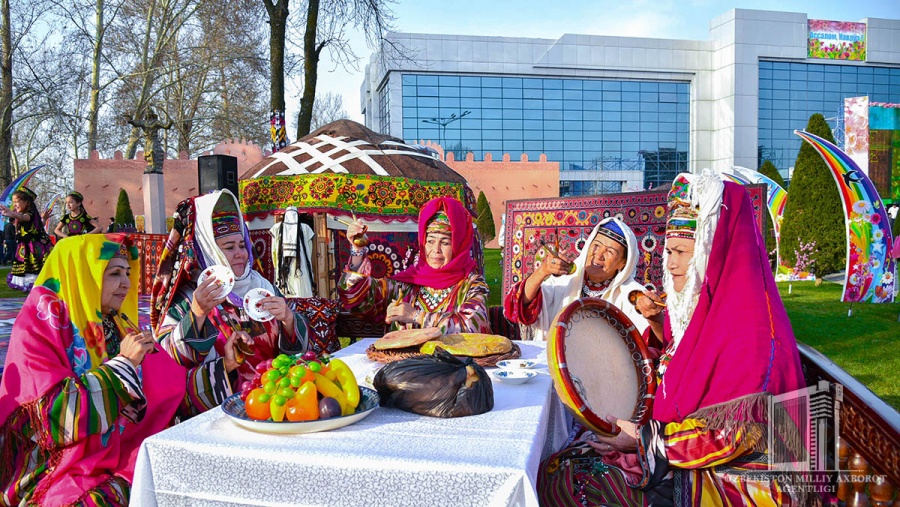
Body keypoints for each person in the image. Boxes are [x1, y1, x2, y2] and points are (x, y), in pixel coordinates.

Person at [538, 170, 807, 506]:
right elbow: (675, 367)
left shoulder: (753, 337)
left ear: (714, 256)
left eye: (682, 252)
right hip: (683, 450)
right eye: (668, 252)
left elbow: (735, 433)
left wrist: (642, 441)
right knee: (565, 463)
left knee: (581, 481)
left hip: (738, 479)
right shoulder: (707, 312)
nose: (672, 264)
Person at [0, 234, 244, 506]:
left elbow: (169, 389)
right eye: (114, 273)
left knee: (193, 466)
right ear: (83, 276)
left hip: (120, 449)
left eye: (127, 273)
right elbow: (49, 420)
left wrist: (226, 367)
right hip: (56, 464)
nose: (127, 283)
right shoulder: (40, 326)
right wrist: (124, 365)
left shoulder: (117, 324)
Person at [152, 189, 310, 384]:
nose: (240, 254)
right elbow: (165, 361)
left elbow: (298, 353)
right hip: (225, 399)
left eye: (242, 245)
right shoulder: (191, 298)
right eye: (229, 247)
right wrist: (197, 315)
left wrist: (288, 320)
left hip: (275, 392)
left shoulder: (262, 286)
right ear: (208, 250)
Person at [339, 196, 491, 334]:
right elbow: (357, 299)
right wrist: (357, 249)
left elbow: (474, 326)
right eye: (430, 241)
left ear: (458, 247)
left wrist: (415, 316)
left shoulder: (471, 285)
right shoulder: (407, 285)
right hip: (402, 357)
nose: (436, 250)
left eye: (445, 243)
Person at [503, 217, 650, 341]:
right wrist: (542, 271)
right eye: (596, 245)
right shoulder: (565, 281)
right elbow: (518, 307)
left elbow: (649, 343)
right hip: (557, 361)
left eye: (610, 252)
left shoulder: (632, 296)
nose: (599, 255)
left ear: (623, 263)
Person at [0, 187, 54, 291]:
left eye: (17, 202)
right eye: (14, 202)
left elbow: (24, 218)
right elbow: (38, 226)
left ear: (27, 202)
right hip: (25, 245)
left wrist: (12, 214)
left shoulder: (30, 214)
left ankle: (33, 283)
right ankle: (28, 283)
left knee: (33, 265)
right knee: (25, 264)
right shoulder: (26, 214)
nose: (15, 204)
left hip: (32, 246)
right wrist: (44, 219)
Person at [269, 206, 315, 298]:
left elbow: (273, 250)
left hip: (283, 265)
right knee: (301, 287)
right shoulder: (305, 228)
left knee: (286, 285)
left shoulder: (276, 228)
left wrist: (276, 265)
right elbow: (310, 249)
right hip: (301, 266)